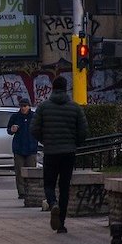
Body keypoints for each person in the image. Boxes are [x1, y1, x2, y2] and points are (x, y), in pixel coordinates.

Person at [31, 76, 88, 234]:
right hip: (68, 153)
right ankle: (61, 224)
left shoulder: (43, 107)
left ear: (52, 88)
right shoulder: (75, 108)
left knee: (49, 184)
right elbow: (83, 131)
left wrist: (45, 140)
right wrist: (74, 143)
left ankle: (52, 203)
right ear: (66, 88)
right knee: (64, 187)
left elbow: (34, 129)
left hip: (51, 152)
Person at [7, 97, 38, 199]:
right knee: (19, 172)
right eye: (21, 106)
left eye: (25, 106)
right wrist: (12, 130)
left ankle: (32, 191)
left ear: (29, 106)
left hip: (31, 147)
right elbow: (9, 130)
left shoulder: (34, 117)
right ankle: (22, 192)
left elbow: (39, 129)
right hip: (19, 148)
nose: (23, 108)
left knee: (31, 172)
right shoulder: (15, 117)